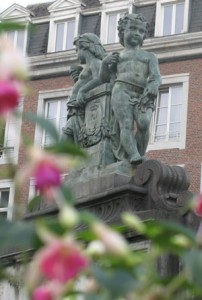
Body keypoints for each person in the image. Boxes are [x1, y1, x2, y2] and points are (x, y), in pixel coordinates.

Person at [100, 13, 161, 164]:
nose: (136, 33)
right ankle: (133, 155)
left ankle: (140, 152)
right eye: (132, 29)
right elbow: (104, 79)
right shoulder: (117, 57)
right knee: (125, 125)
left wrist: (153, 85)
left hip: (143, 93)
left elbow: (156, 76)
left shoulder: (149, 56)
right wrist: (104, 64)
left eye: (140, 31)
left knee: (144, 123)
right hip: (121, 91)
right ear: (122, 32)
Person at [62, 33, 105, 144]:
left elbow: (100, 79)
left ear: (85, 47)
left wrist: (82, 90)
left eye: (77, 50)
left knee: (66, 137)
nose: (77, 54)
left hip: (82, 110)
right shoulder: (87, 67)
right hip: (75, 110)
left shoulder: (96, 63)